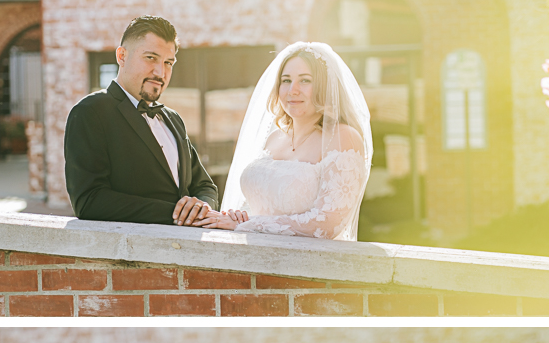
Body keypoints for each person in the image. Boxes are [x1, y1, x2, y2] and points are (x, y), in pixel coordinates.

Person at [195, 43, 372, 242]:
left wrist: (248, 224)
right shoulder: (273, 139)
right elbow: (253, 207)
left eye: (305, 80)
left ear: (326, 86)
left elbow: (327, 223)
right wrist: (239, 217)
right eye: (285, 80)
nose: (292, 90)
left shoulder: (342, 138)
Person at [64, 15, 218, 226]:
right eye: (151, 58)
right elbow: (89, 201)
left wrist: (201, 207)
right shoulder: (89, 112)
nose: (160, 72)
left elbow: (204, 185)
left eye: (168, 62)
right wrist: (176, 214)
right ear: (122, 56)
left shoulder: (173, 118)